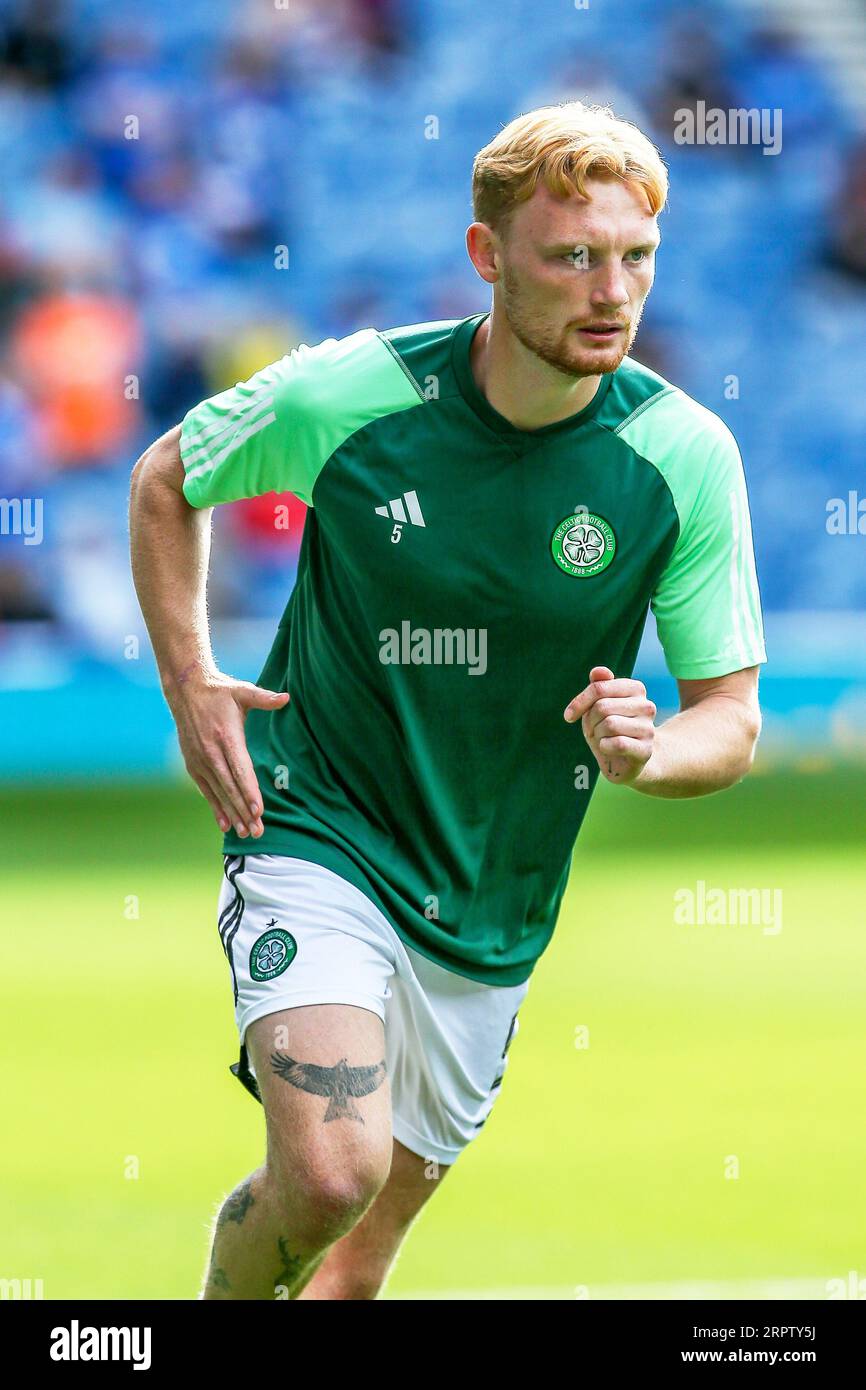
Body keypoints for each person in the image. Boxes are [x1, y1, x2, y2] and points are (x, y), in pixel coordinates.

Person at [129, 102, 766, 1300]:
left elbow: (726, 717)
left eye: (632, 258)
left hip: (494, 898)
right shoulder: (354, 397)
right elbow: (169, 474)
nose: (608, 291)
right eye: (570, 256)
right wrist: (190, 680)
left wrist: (649, 752)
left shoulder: (683, 457)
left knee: (351, 1274)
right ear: (487, 258)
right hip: (318, 827)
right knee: (327, 1173)